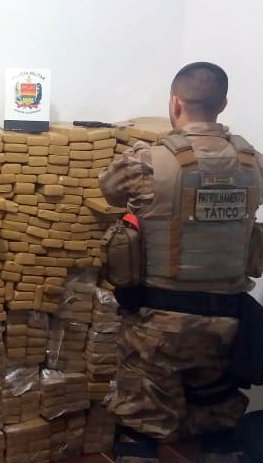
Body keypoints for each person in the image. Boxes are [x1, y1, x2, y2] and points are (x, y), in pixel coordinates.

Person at [100, 62, 263, 463]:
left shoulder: (147, 161)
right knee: (218, 421)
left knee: (139, 427)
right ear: (223, 104)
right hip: (227, 323)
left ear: (175, 103)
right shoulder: (254, 162)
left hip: (157, 324)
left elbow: (109, 190)